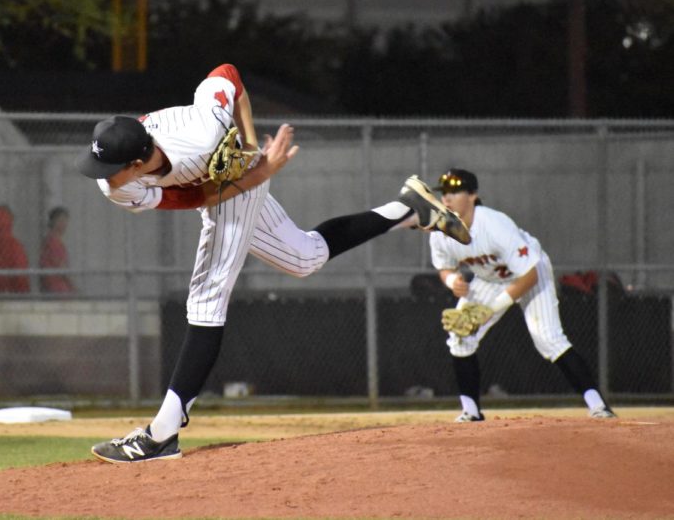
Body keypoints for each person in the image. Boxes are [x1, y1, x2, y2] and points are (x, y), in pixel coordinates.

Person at [75, 63, 471, 463]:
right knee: (304, 257)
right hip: (230, 182)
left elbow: (227, 74)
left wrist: (251, 149)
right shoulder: (116, 187)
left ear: (137, 164)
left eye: (109, 168)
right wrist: (258, 168)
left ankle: (162, 434)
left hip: (238, 174)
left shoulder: (198, 132)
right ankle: (409, 208)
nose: (101, 176)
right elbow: (189, 198)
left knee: (207, 297)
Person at [427, 168, 616, 422]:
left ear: (472, 195)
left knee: (548, 339)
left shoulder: (493, 224)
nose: (447, 198)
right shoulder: (441, 229)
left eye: (454, 191)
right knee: (460, 336)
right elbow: (444, 266)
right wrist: (452, 281)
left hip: (530, 272)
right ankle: (470, 411)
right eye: (444, 193)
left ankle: (598, 406)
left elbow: (529, 276)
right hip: (489, 278)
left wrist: (492, 309)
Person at [39, 206, 75, 294]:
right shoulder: (53, 243)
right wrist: (73, 287)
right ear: (53, 222)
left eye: (65, 221)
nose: (64, 224)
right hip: (57, 289)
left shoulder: (52, 241)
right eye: (61, 220)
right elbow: (61, 268)